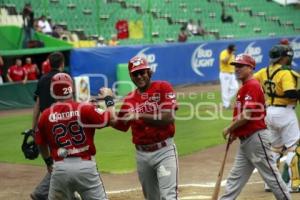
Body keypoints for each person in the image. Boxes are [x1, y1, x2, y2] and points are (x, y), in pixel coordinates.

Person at [220, 54, 291, 200]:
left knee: (271, 176)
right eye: (235, 66)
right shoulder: (245, 87)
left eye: (241, 66)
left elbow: (247, 115)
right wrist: (236, 132)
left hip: (256, 139)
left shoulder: (252, 85)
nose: (237, 69)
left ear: (251, 68)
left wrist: (230, 128)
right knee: (235, 177)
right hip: (246, 141)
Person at [35, 72, 115, 200]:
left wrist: (48, 162)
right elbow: (111, 119)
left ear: (52, 91)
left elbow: (40, 143)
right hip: (85, 166)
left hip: (60, 168)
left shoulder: (45, 115)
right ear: (71, 89)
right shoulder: (84, 108)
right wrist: (109, 99)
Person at [111, 56, 179, 200]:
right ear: (130, 76)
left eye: (142, 72)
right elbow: (120, 125)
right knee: (151, 197)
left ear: (149, 72)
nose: (139, 76)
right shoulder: (129, 99)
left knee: (168, 196)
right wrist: (106, 105)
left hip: (164, 152)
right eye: (135, 74)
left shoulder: (163, 87)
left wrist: (139, 115)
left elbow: (168, 118)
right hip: (142, 155)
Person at [254, 44, 300, 192]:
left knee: (275, 149)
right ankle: (295, 183)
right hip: (285, 113)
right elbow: (289, 93)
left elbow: (253, 84)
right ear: (283, 58)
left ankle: (270, 183)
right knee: (293, 147)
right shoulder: (285, 73)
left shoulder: (263, 71)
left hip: (270, 112)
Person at [30, 52, 65, 200]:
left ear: (49, 63)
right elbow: (67, 102)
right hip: (60, 124)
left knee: (57, 160)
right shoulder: (63, 79)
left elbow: (37, 104)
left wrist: (34, 127)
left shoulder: (42, 79)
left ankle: (67, 193)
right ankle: (42, 192)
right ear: (62, 64)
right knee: (65, 161)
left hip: (45, 124)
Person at [219, 44, 238, 109]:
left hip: (232, 74)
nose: (233, 51)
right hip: (225, 74)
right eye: (232, 50)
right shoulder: (223, 53)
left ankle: (226, 101)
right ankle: (226, 105)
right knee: (225, 90)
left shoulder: (232, 55)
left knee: (235, 88)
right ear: (229, 49)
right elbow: (224, 62)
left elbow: (233, 64)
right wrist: (229, 55)